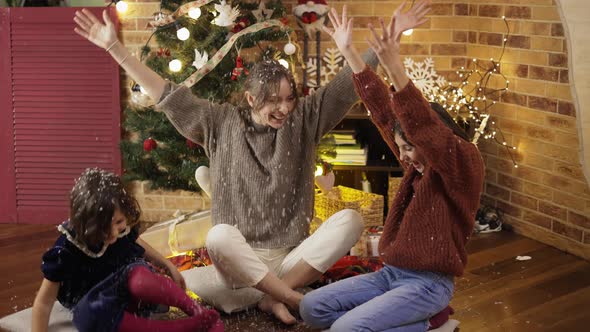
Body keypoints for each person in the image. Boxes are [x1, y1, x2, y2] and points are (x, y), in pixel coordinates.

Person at [73, 6, 377, 325]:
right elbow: (167, 94)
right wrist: (114, 48)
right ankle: (288, 296)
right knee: (218, 236)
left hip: (290, 257)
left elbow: (346, 86)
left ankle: (272, 294)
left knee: (351, 221)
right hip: (238, 264)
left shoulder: (304, 119)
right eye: (273, 100)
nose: (284, 108)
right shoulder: (219, 122)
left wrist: (373, 50)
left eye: (289, 98)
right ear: (250, 99)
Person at [300, 1, 485, 331]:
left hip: (428, 285)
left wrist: (394, 63)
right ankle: (426, 325)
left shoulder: (462, 163)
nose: (406, 157)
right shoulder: (417, 165)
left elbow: (424, 127)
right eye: (401, 149)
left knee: (345, 329)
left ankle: (430, 320)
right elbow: (384, 112)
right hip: (390, 274)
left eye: (410, 148)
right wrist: (350, 53)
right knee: (312, 307)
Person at [31, 168, 222, 332]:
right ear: (87, 224)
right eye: (104, 227)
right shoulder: (66, 250)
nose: (114, 232)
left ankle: (199, 312)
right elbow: (43, 303)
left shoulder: (121, 231)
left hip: (127, 287)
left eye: (119, 223)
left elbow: (136, 242)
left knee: (139, 277)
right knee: (89, 317)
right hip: (97, 303)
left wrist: (167, 264)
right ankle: (187, 326)